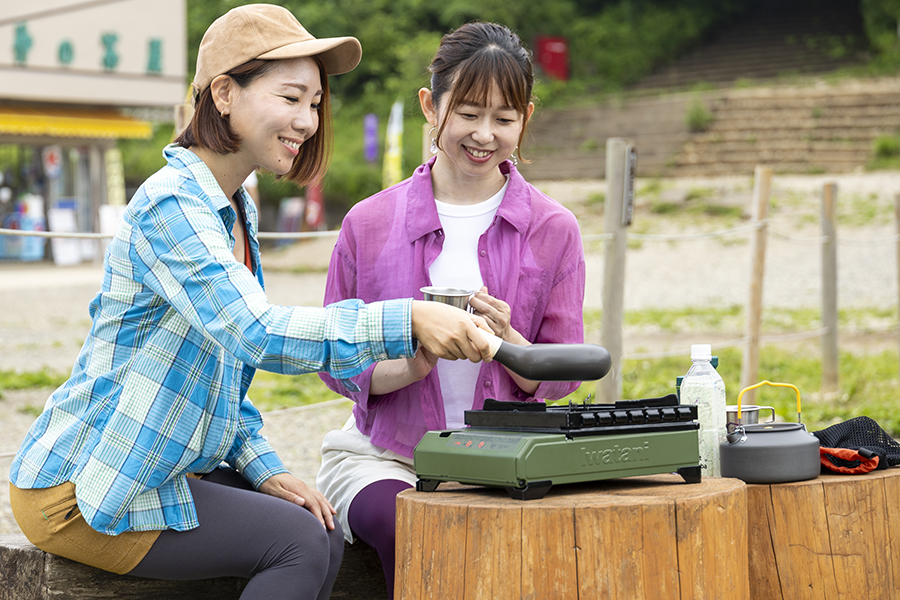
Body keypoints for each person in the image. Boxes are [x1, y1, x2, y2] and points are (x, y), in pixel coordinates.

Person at [7, 6, 491, 600]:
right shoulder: (171, 206)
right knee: (299, 543)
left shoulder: (234, 207)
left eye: (314, 103)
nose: (308, 121)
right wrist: (410, 317)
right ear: (224, 93)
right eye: (291, 98)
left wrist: (265, 470)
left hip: (158, 461)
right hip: (88, 485)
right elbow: (256, 333)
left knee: (319, 526)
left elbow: (220, 381)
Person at [316, 21, 586, 598]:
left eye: (504, 118)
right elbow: (336, 360)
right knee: (410, 522)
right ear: (430, 106)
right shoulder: (367, 223)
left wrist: (508, 337)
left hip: (512, 455)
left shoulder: (554, 228)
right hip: (386, 456)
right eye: (467, 112)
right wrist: (413, 362)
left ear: (526, 119)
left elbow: (562, 373)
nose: (484, 133)